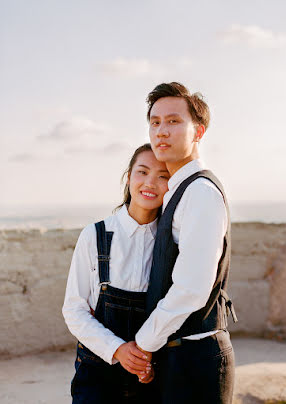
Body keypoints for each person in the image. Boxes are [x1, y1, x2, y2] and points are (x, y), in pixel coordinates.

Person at [134, 82, 238, 403]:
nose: (161, 131)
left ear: (199, 131)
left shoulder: (200, 192)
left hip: (197, 359)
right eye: (155, 122)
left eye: (174, 121)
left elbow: (192, 288)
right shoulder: (179, 190)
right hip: (179, 354)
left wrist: (144, 343)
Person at [62, 143, 169, 403]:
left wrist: (145, 361)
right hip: (96, 373)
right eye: (142, 172)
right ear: (128, 177)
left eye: (163, 176)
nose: (150, 183)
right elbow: (74, 310)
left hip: (149, 374)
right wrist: (118, 349)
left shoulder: (171, 245)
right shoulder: (95, 235)